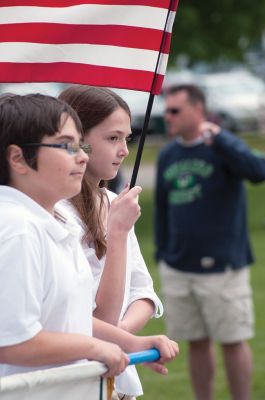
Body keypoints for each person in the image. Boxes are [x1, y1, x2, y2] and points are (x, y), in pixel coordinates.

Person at [0, 93, 179, 380]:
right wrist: (95, 347)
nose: (82, 155)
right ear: (18, 158)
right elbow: (10, 340)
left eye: (79, 145)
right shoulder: (17, 229)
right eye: (66, 146)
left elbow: (69, 317)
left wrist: (130, 343)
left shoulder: (42, 223)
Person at [154, 84, 265, 400]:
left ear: (198, 110)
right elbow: (162, 207)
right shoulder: (169, 155)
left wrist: (222, 137)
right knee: (196, 342)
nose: (168, 116)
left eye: (175, 110)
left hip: (223, 266)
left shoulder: (222, 147)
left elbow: (258, 171)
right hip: (178, 265)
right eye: (166, 110)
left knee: (232, 340)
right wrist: (163, 251)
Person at [58, 85, 164, 400]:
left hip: (118, 376)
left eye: (126, 139)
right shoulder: (55, 212)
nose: (124, 150)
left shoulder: (114, 202)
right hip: (76, 376)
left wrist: (118, 337)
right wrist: (116, 232)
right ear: (77, 141)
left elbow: (143, 292)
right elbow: (94, 317)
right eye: (112, 138)